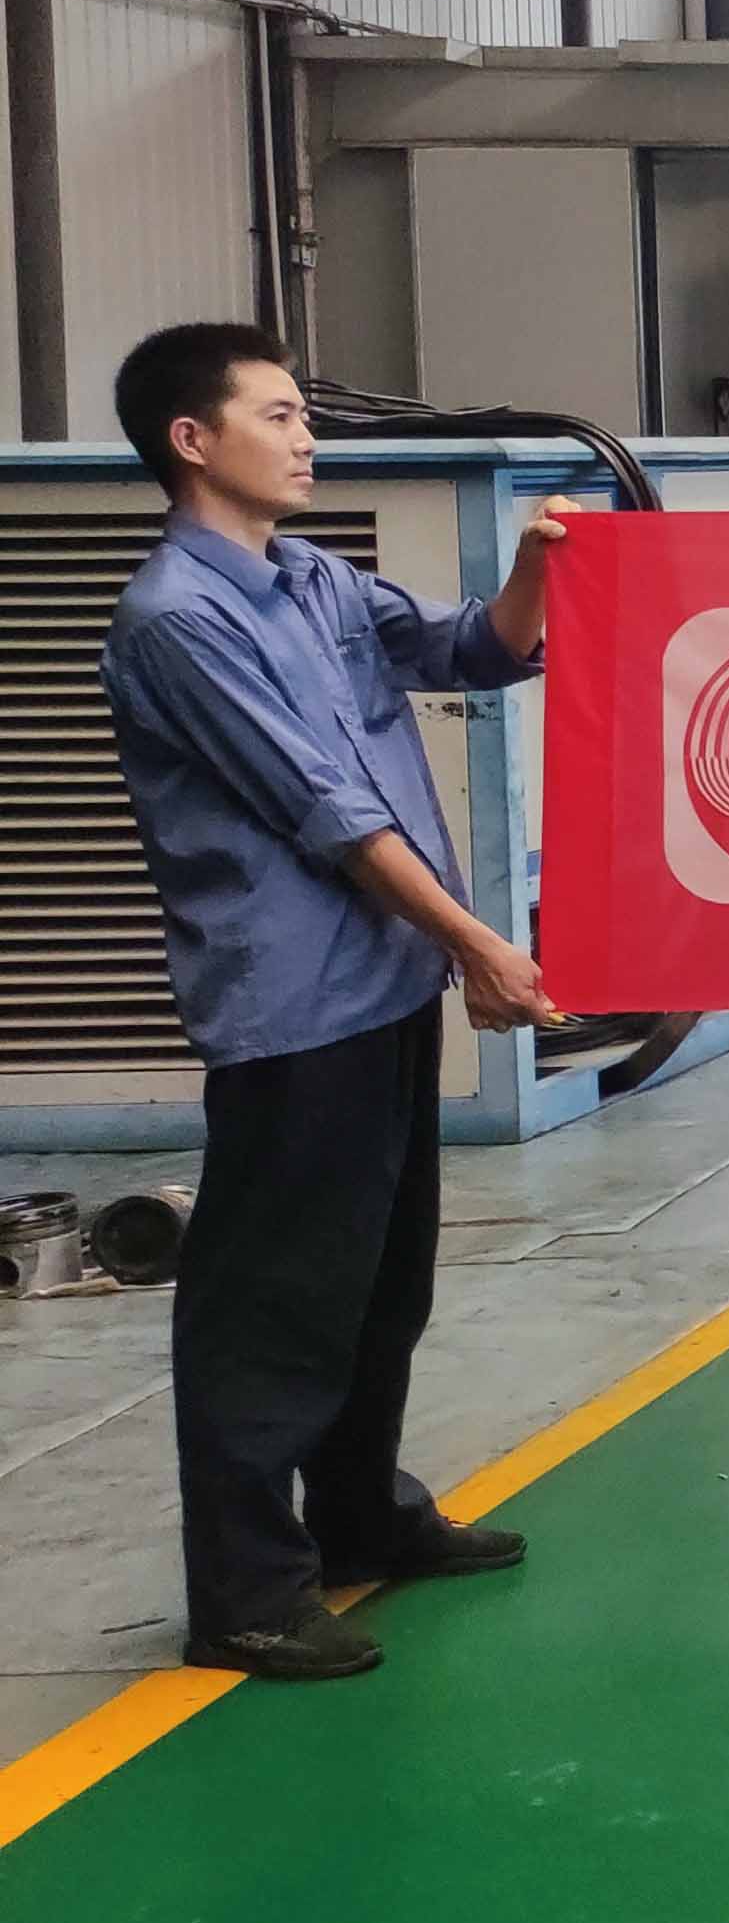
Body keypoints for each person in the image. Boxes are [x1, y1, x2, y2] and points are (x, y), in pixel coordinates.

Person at [100, 324, 580, 1681]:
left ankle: (363, 1514)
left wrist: (537, 568)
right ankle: (247, 1594)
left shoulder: (311, 579)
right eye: (278, 415)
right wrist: (478, 944)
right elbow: (325, 812)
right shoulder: (179, 619)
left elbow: (470, 650)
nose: (305, 437)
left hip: (379, 985)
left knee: (378, 1281)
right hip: (292, 1005)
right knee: (275, 1303)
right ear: (192, 440)